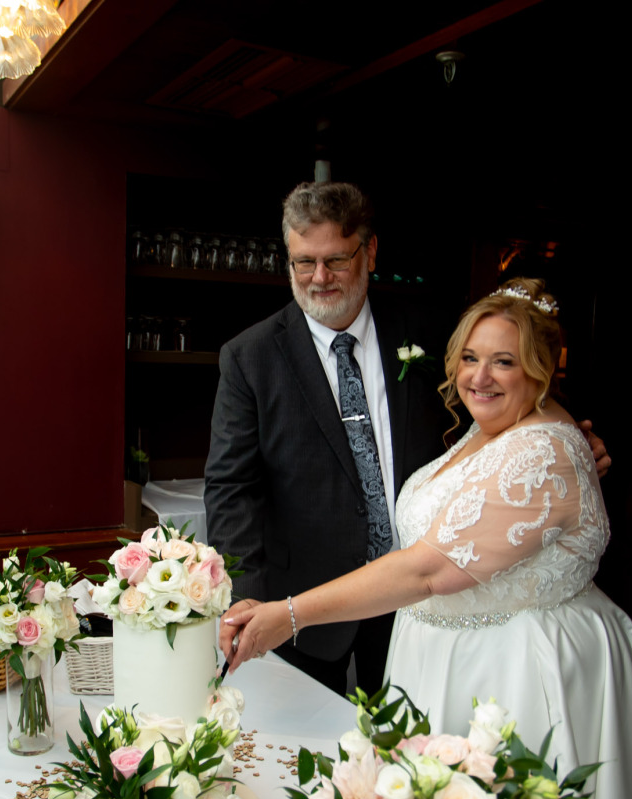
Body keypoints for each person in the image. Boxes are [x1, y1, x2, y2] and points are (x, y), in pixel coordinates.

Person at [219, 278, 632, 799]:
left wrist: (289, 614)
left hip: (514, 674)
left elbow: (425, 569)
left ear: (539, 369)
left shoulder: (542, 452)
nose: (479, 376)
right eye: (471, 358)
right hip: (447, 656)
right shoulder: (486, 429)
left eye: (504, 361)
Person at [205, 182, 610, 696]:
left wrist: (567, 440)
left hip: (429, 599)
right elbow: (230, 488)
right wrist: (248, 596)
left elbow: (504, 400)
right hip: (304, 598)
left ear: (370, 251)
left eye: (336, 259)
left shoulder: (434, 330)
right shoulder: (249, 356)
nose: (319, 278)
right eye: (303, 262)